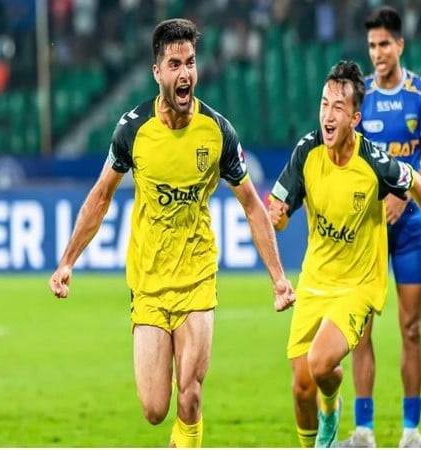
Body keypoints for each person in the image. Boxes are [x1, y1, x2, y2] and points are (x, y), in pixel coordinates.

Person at [49, 18, 295, 448]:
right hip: (148, 281)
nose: (185, 74)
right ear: (157, 72)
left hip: (197, 276)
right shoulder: (133, 129)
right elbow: (100, 196)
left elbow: (252, 205)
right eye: (175, 64)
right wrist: (68, 261)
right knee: (154, 408)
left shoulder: (216, 131)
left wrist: (277, 277)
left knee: (191, 394)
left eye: (191, 63)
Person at [269, 60, 421, 448]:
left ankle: (335, 411)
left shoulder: (373, 162)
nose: (327, 114)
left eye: (338, 108)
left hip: (358, 285)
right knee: (301, 387)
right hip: (315, 280)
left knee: (321, 361)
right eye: (324, 104)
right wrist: (276, 216)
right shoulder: (307, 150)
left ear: (355, 118)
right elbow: (278, 210)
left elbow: (416, 184)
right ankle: (325, 420)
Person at [340, 7, 421, 448]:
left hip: (412, 227)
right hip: (371, 229)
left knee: (411, 328)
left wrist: (404, 193)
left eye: (384, 44)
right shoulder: (363, 98)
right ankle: (363, 431)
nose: (377, 53)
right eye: (372, 46)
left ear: (400, 45)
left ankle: (412, 431)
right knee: (360, 329)